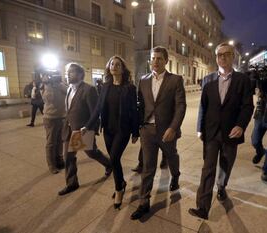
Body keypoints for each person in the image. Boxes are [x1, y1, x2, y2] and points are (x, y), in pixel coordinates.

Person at [188, 42, 254, 220]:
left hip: (231, 132)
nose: (223, 57)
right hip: (211, 132)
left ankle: (222, 186)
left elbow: (247, 106)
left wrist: (240, 125)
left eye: (227, 54)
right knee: (207, 168)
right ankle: (203, 207)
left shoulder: (242, 80)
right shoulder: (208, 79)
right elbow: (203, 106)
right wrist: (199, 128)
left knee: (226, 165)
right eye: (220, 55)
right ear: (216, 58)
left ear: (232, 57)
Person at [130, 46, 186, 220]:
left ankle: (175, 176)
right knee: (148, 167)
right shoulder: (143, 80)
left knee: (171, 156)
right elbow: (140, 105)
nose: (155, 61)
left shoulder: (175, 80)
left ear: (166, 61)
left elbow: (180, 106)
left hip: (166, 130)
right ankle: (143, 202)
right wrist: (137, 128)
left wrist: (173, 128)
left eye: (159, 59)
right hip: (147, 130)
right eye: (153, 58)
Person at [58, 63, 112, 196]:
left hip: (82, 129)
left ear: (80, 74)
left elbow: (95, 112)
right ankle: (72, 183)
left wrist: (90, 129)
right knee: (68, 157)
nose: (68, 75)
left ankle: (109, 164)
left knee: (91, 153)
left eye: (71, 72)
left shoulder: (89, 89)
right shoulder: (69, 89)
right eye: (67, 72)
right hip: (69, 129)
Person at [97, 56, 139, 209]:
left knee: (113, 157)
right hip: (108, 129)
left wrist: (135, 132)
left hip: (123, 129)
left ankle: (119, 189)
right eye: (112, 64)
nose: (114, 66)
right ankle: (121, 182)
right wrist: (91, 125)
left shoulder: (129, 88)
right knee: (115, 161)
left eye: (118, 64)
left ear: (123, 69)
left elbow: (134, 111)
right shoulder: (105, 86)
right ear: (109, 67)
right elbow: (99, 108)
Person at [40, 73, 67, 174]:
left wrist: (59, 84)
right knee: (51, 142)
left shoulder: (61, 85)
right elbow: (49, 99)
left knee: (60, 141)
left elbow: (69, 92)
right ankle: (51, 165)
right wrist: (48, 84)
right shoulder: (45, 87)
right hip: (50, 118)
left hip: (62, 117)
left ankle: (59, 161)